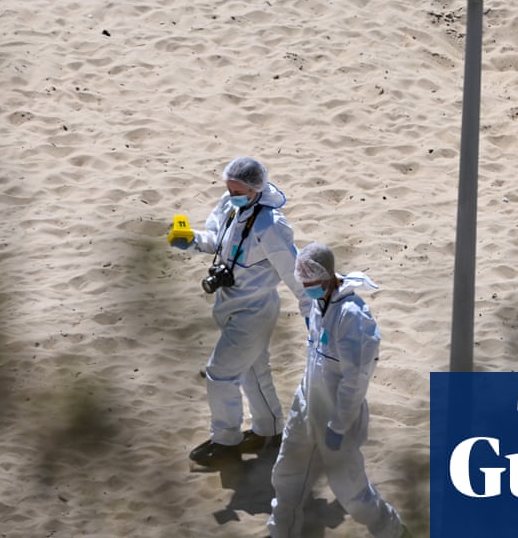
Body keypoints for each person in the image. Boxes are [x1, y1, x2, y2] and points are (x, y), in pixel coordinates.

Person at [169, 157, 311, 466]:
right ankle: (269, 431)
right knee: (252, 371)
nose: (230, 194)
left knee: (220, 374)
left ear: (255, 189)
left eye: (237, 190)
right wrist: (191, 239)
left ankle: (226, 442)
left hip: (255, 312)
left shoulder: (271, 227)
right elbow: (216, 241)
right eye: (228, 188)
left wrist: (311, 310)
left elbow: (294, 272)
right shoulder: (228, 205)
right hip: (229, 304)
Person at [267, 243, 405, 538]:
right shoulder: (319, 303)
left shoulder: (353, 317)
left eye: (311, 283)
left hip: (336, 417)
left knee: (351, 492)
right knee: (287, 474)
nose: (306, 289)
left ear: (328, 278)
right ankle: (282, 531)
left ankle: (392, 530)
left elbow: (355, 380)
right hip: (306, 403)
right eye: (303, 283)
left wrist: (339, 424)